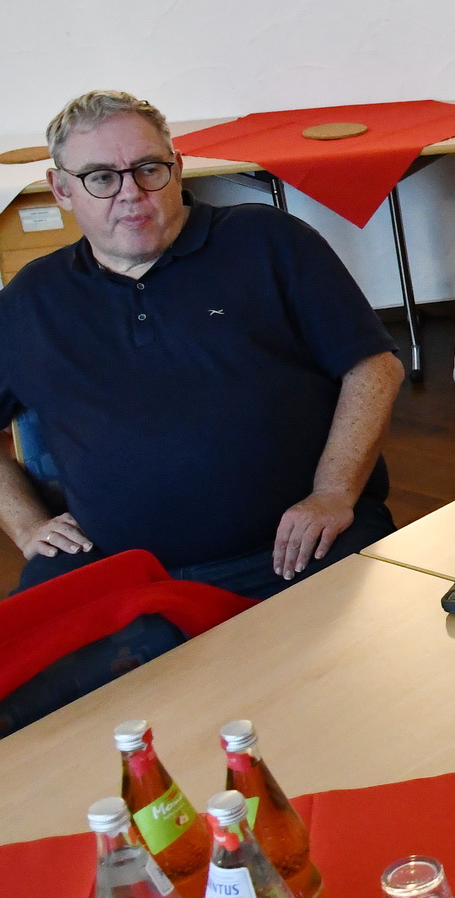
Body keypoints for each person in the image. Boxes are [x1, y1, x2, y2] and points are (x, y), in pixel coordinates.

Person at [0, 91, 404, 599]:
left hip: (302, 545)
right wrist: (25, 524)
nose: (131, 193)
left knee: (375, 641)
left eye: (149, 169)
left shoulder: (268, 240)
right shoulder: (30, 299)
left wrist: (333, 493)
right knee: (36, 647)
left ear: (177, 168)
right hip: (118, 570)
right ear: (61, 188)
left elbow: (374, 367)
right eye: (101, 178)